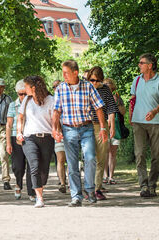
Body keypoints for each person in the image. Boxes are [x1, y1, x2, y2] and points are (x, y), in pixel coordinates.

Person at [52, 60, 108, 207]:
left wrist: (102, 128)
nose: (63, 75)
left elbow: (99, 107)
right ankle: (76, 196)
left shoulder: (88, 86)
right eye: (63, 72)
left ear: (75, 73)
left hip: (86, 128)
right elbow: (57, 111)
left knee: (90, 158)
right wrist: (55, 129)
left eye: (66, 73)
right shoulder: (60, 89)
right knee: (72, 164)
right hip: (68, 129)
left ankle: (90, 189)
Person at [130, 53, 159, 197]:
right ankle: (143, 185)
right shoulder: (137, 80)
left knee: (155, 156)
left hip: (155, 122)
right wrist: (131, 116)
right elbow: (132, 100)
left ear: (150, 65)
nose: (139, 65)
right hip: (138, 122)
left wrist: (155, 111)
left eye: (141, 63)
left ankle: (152, 185)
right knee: (139, 154)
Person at [17, 76, 55, 208]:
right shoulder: (26, 100)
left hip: (47, 137)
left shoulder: (50, 100)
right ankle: (39, 197)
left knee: (44, 169)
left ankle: (40, 186)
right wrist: (19, 132)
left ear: (33, 88)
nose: (24, 89)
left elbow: (55, 119)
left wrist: (56, 130)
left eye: (26, 86)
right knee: (34, 166)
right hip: (29, 138)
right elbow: (20, 118)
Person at [87, 67, 119, 200]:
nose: (93, 82)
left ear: (100, 79)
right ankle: (88, 186)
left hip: (101, 127)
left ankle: (97, 188)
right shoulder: (85, 89)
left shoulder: (105, 89)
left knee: (101, 158)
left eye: (95, 80)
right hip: (87, 126)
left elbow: (112, 109)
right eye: (90, 80)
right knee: (89, 158)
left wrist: (111, 127)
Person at [6, 80, 35, 201]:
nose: (22, 96)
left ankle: (31, 191)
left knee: (31, 165)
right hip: (15, 136)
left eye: (25, 94)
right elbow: (8, 125)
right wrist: (8, 143)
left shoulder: (33, 103)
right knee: (18, 165)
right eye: (20, 94)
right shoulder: (13, 105)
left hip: (30, 136)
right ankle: (18, 184)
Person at [103, 78, 126, 185]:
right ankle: (105, 176)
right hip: (104, 127)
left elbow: (123, 112)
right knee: (104, 152)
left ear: (113, 85)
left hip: (115, 128)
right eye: (105, 83)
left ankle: (111, 176)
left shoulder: (117, 97)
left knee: (113, 153)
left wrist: (117, 102)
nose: (107, 85)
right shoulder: (101, 96)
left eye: (109, 83)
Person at [52, 80, 68, 193]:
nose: (56, 88)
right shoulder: (51, 102)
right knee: (60, 159)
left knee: (71, 160)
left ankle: (72, 182)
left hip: (72, 132)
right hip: (59, 134)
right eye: (54, 87)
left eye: (58, 86)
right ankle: (62, 183)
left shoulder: (69, 98)